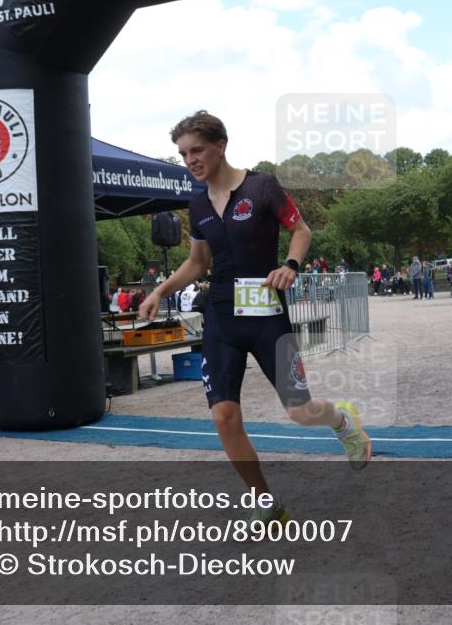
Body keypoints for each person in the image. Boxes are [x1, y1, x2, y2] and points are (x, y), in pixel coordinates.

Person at [138, 111, 372, 529]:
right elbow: (197, 262)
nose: (190, 160)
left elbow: (301, 230)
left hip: (267, 315)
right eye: (183, 154)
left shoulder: (261, 187)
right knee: (223, 415)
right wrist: (159, 291)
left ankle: (341, 420)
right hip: (222, 318)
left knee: (300, 411)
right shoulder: (196, 204)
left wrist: (291, 265)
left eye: (197, 150)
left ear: (221, 145)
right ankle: (265, 501)